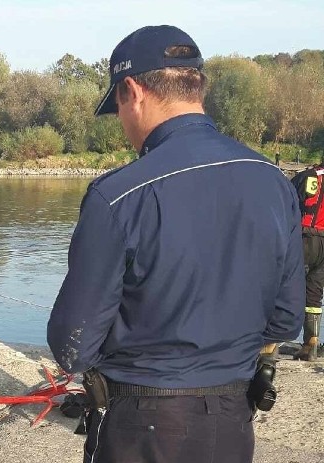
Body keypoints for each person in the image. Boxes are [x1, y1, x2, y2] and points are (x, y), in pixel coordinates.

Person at [47, 25, 305, 463]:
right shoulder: (273, 182)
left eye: (119, 108)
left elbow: (73, 344)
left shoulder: (119, 195)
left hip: (139, 422)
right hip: (230, 421)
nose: (124, 124)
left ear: (133, 90)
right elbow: (285, 320)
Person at [290, 165, 324, 361]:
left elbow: (290, 201)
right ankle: (311, 343)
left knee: (287, 285)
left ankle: (271, 344)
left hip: (306, 237)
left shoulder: (310, 175)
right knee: (314, 293)